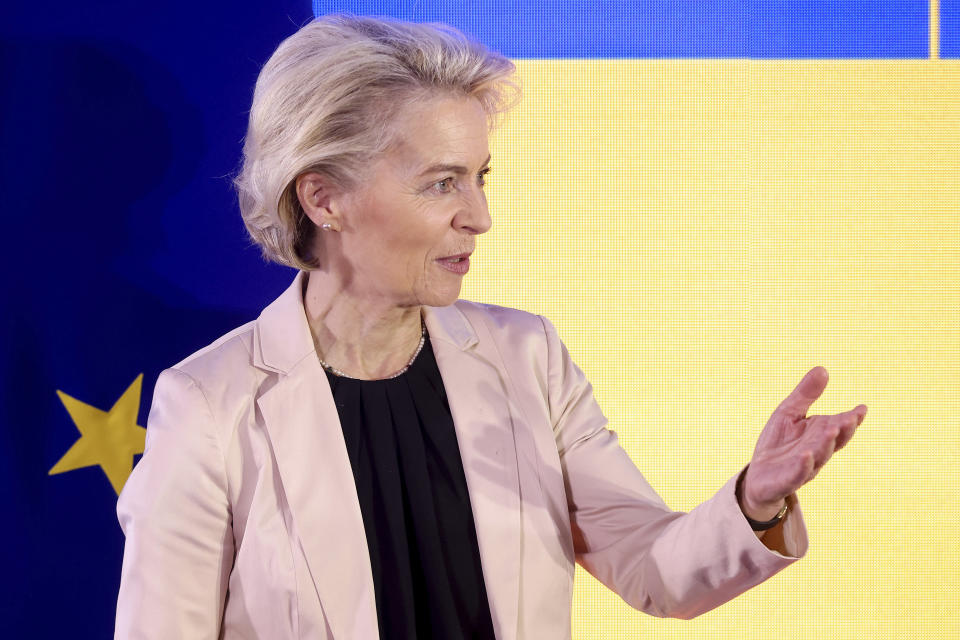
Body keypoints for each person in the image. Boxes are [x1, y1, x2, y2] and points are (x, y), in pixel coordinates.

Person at [114, 14, 868, 640]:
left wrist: (752, 502)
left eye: (481, 177)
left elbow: (654, 571)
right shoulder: (210, 405)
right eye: (442, 183)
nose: (479, 217)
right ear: (323, 199)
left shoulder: (526, 359)